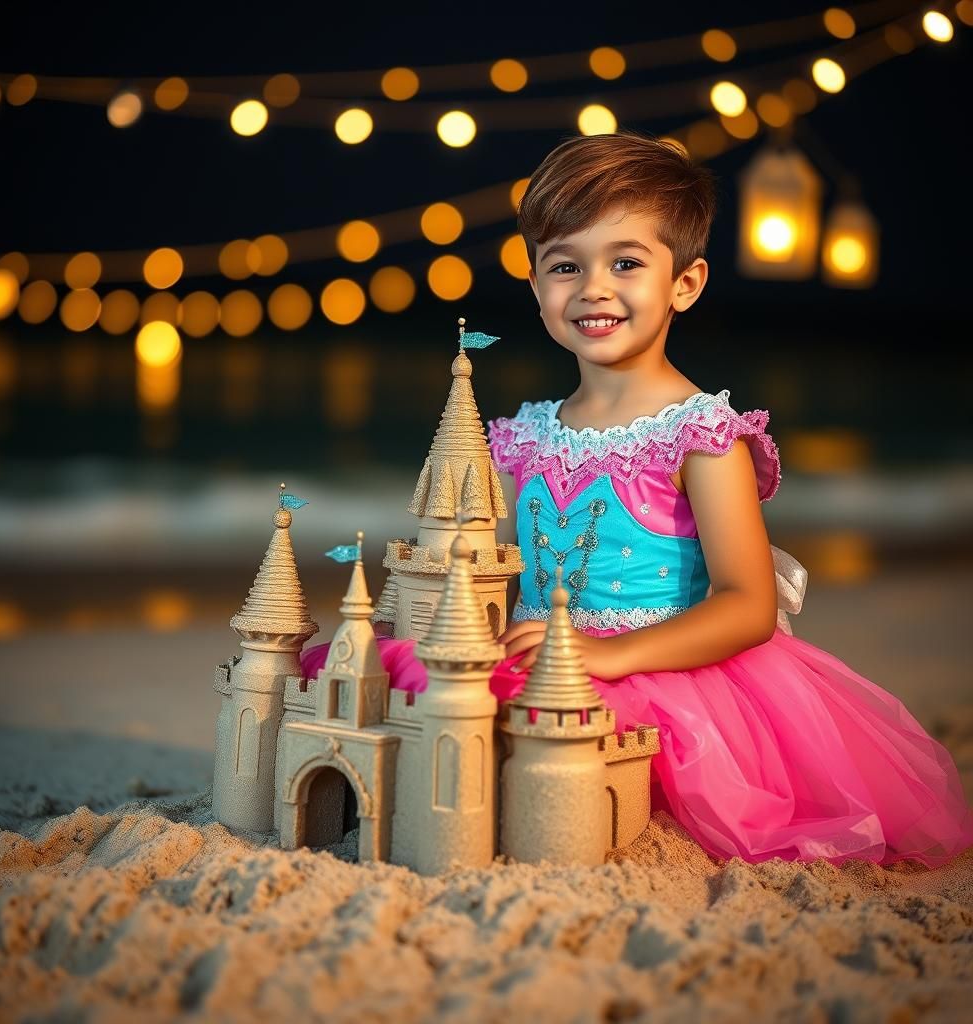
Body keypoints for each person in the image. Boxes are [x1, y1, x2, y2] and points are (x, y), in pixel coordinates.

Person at [301, 130, 973, 868]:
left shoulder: (702, 436)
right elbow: (503, 571)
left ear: (684, 284)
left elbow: (747, 605)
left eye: (626, 262)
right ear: (535, 287)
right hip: (537, 653)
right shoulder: (522, 435)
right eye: (565, 265)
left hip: (658, 673)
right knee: (418, 701)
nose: (593, 286)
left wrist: (611, 656)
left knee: (552, 762)